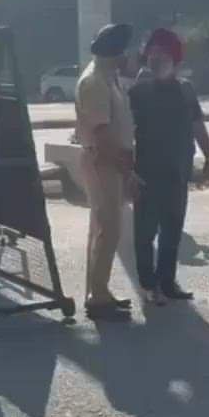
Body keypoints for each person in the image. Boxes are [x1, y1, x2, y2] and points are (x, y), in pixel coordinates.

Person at [129, 28, 209, 306]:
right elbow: (124, 134)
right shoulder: (138, 91)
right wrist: (127, 172)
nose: (156, 59)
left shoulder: (185, 90)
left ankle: (167, 281)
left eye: (162, 54)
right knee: (144, 234)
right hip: (146, 174)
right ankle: (148, 285)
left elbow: (197, 125)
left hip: (177, 173)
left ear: (175, 60)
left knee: (172, 231)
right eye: (152, 53)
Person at [76, 23, 137, 321]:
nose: (128, 56)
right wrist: (127, 168)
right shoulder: (95, 82)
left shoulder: (108, 77)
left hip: (109, 161)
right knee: (108, 228)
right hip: (103, 161)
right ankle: (98, 296)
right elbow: (101, 135)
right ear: (116, 52)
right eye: (125, 51)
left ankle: (97, 291)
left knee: (103, 229)